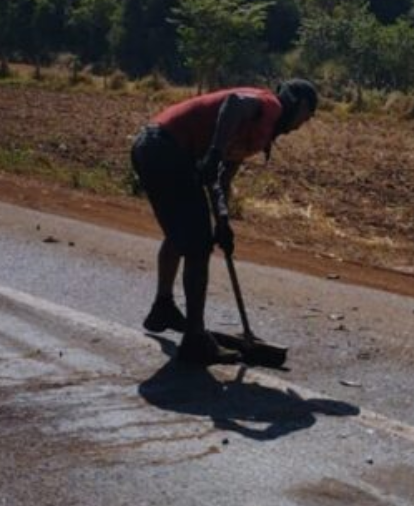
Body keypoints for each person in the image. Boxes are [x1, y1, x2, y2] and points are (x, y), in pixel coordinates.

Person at [131, 79, 318, 365]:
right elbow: (233, 103)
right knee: (197, 245)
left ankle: (163, 306)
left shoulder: (256, 131)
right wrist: (215, 152)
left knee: (184, 232)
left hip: (153, 148)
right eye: (308, 115)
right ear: (300, 104)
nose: (304, 124)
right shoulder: (269, 105)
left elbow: (223, 179)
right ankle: (195, 340)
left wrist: (222, 222)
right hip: (166, 149)